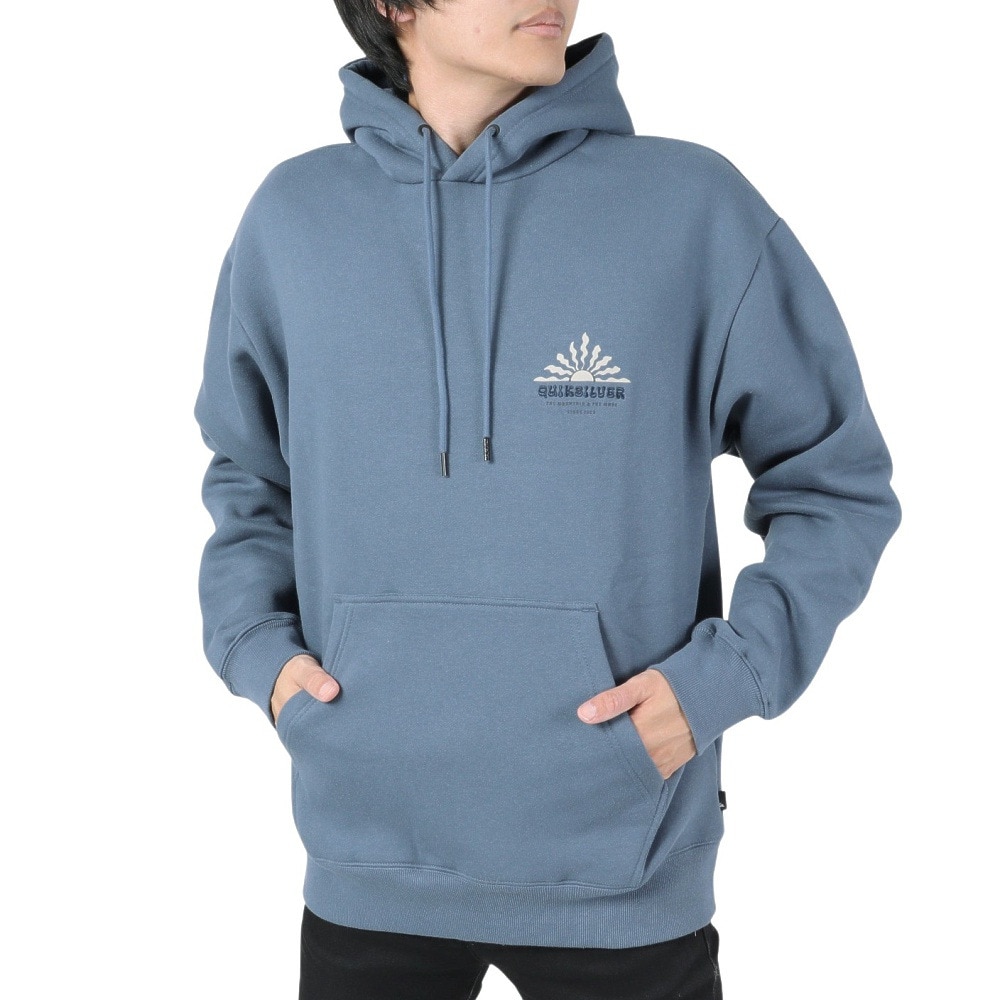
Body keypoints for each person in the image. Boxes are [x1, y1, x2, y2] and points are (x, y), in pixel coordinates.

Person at [193, 2, 902, 997]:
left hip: (621, 864)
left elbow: (835, 481)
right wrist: (260, 656)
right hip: (368, 856)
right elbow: (248, 479)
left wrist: (721, 681)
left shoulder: (690, 208)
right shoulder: (293, 220)